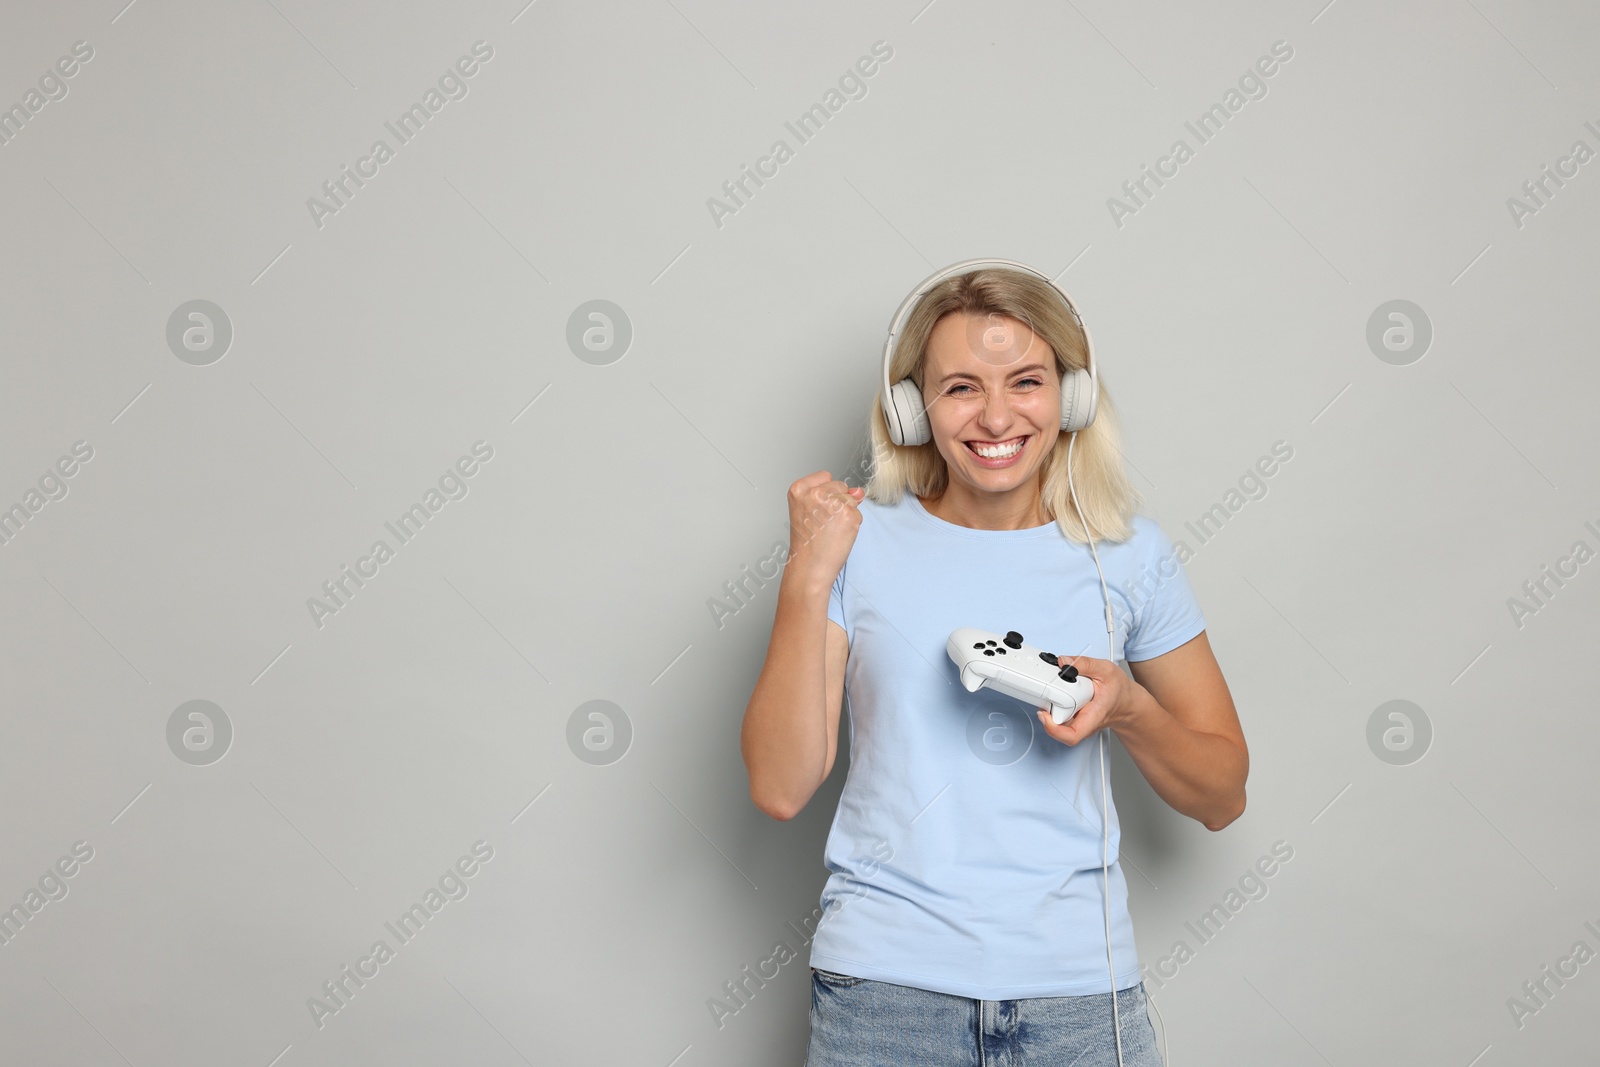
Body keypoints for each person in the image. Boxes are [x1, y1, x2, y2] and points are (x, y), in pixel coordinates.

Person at [740, 265, 1248, 1066]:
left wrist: (1127, 709)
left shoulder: (1128, 554)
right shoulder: (853, 543)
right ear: (912, 407)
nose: (998, 415)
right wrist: (807, 573)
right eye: (961, 388)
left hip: (1080, 999)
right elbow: (779, 784)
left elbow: (1223, 794)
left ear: (1072, 396)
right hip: (884, 995)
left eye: (1027, 381)